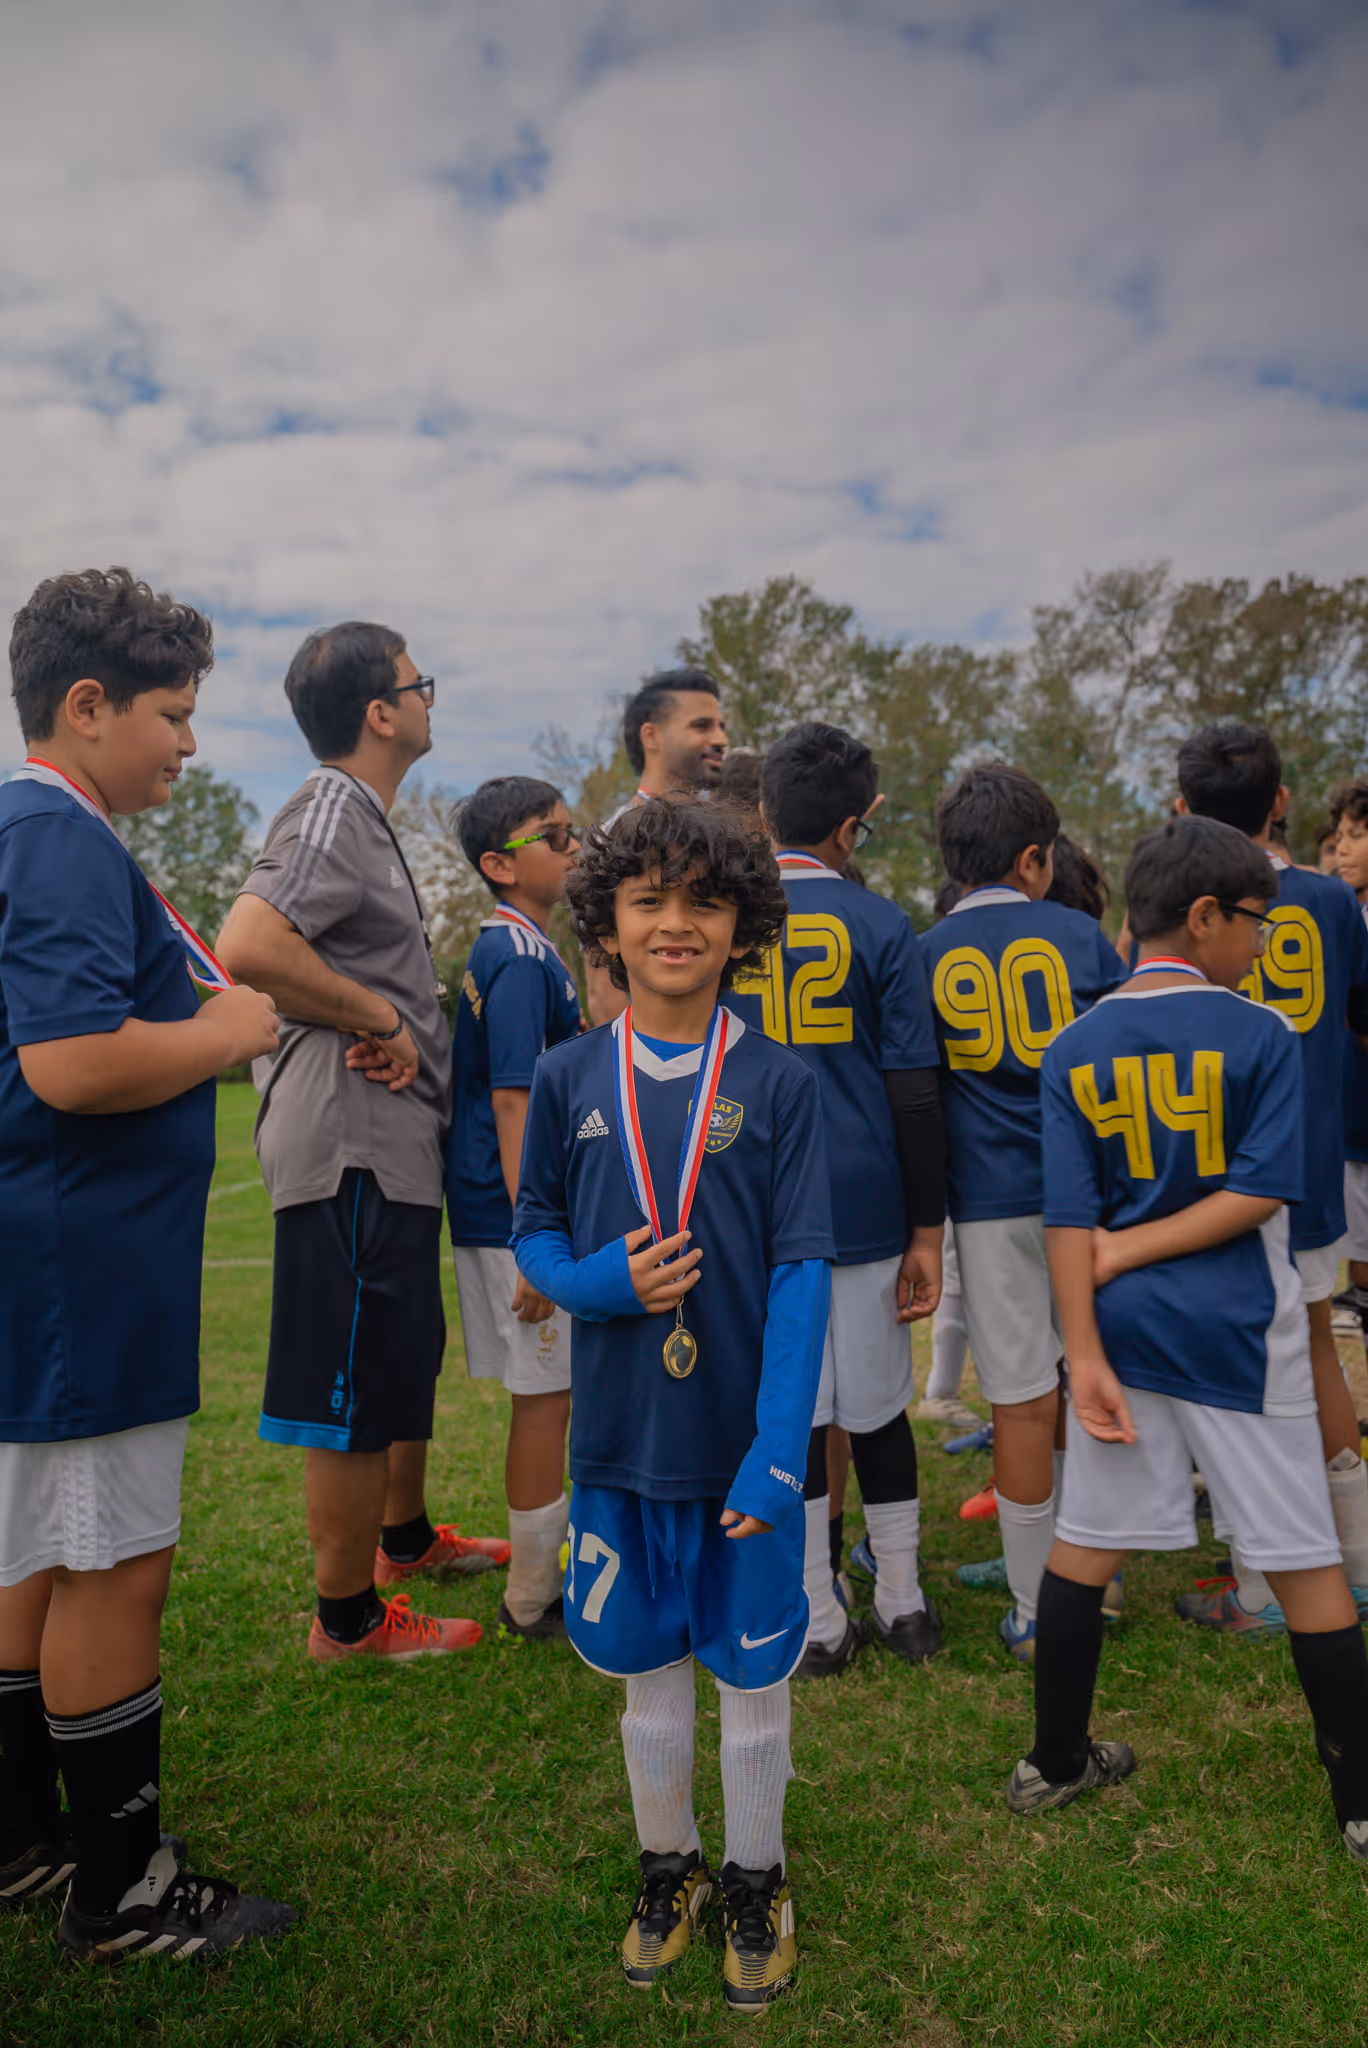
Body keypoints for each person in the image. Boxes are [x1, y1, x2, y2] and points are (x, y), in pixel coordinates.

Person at [0, 567, 292, 1958]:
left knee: (34, 1556)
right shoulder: (59, 837)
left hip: (57, 1260)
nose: (187, 742)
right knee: (110, 1565)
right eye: (172, 714)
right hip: (83, 1270)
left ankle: (21, 1831)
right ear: (86, 705)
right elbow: (69, 1064)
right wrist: (227, 1033)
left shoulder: (38, 831)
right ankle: (120, 1890)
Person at [511, 800, 833, 2014]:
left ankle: (757, 1876)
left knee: (751, 1679)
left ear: (743, 923)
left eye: (704, 899)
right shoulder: (565, 1074)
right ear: (607, 924)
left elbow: (802, 1273)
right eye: (647, 900)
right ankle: (672, 1865)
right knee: (647, 1674)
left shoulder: (782, 1080)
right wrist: (601, 1283)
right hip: (621, 1442)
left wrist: (781, 1451)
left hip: (744, 1451)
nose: (675, 922)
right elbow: (533, 1233)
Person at [1011, 814, 1368, 1873]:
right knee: (1304, 1559)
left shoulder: (1074, 1043)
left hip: (1121, 1340)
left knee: (1085, 1545)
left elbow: (1066, 1221)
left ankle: (1054, 1760)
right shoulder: (1262, 1033)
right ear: (1205, 916)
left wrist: (1082, 1348)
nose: (1263, 941)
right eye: (1257, 921)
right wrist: (1127, 1256)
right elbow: (1261, 1190)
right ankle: (1360, 1801)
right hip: (1239, 1332)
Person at [216, 623, 495, 1665]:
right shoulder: (333, 803)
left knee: (396, 1360)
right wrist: (377, 1016)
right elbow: (249, 943)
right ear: (380, 712)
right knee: (350, 1384)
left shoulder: (364, 820)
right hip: (351, 1148)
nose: (430, 699)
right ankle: (347, 1622)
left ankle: (404, 1541)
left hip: (391, 1147)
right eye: (422, 685)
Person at [728, 723, 946, 1674]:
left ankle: (815, 1612)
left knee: (799, 1416)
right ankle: (902, 1600)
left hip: (755, 1205)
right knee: (879, 1411)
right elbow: (914, 1090)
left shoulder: (723, 919)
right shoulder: (883, 922)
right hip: (859, 1199)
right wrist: (928, 1225)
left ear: (764, 810)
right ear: (853, 827)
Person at [920, 765, 1126, 1662]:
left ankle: (1039, 1606)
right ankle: (1098, 1580)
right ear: (1035, 859)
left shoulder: (926, 951)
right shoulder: (1080, 935)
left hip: (989, 1199)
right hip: (1090, 1194)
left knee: (1019, 1401)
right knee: (1092, 1380)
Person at [1174, 724, 1368, 1633]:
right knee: (1318, 1350)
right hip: (1311, 1167)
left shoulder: (1186, 906)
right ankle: (1353, 1557)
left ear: (1181, 809)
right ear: (1281, 803)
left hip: (1215, 1178)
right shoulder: (1330, 900)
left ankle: (1259, 1582)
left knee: (1243, 1372)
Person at [447, 778, 583, 1640]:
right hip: (513, 1216)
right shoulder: (519, 958)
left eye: (572, 831)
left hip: (507, 1209)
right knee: (544, 1399)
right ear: (500, 864)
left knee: (552, 1396)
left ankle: (547, 1578)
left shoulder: (525, 947)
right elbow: (513, 1101)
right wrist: (537, 1237)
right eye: (553, 836)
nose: (572, 847)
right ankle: (532, 1598)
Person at [585, 669, 728, 1027]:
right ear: (652, 735)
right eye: (702, 726)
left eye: (721, 727)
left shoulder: (729, 838)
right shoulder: (610, 839)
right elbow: (605, 993)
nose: (720, 739)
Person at [1329, 780, 1368, 1323]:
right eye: (1339, 836)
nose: (1343, 848)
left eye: (1357, 835)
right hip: (1353, 1127)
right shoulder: (1349, 916)